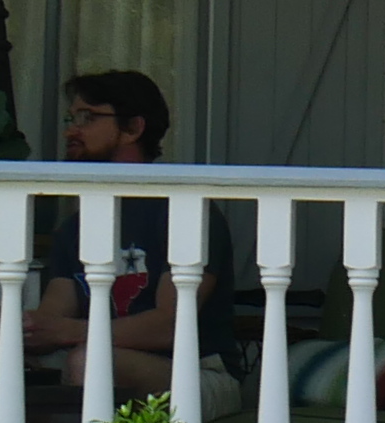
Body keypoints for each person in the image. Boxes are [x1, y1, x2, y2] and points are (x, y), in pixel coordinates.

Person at [23, 70, 230, 401]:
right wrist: (26, 327)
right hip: (90, 359)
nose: (70, 130)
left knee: (90, 362)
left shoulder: (185, 211)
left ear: (133, 128)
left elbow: (169, 326)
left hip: (194, 373)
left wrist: (69, 332)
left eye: (87, 117)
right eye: (70, 118)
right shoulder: (76, 225)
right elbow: (55, 315)